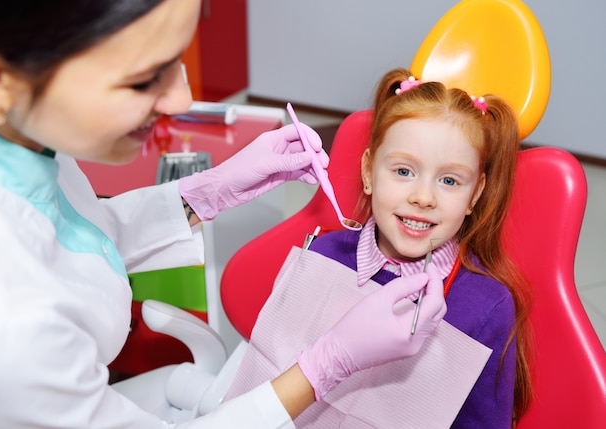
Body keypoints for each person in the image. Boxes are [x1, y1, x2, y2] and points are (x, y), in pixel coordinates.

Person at [0, 2, 447, 428]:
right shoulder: (6, 323)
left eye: (177, 60)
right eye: (144, 79)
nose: (181, 100)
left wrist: (205, 193)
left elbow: (76, 235)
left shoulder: (26, 144)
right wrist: (327, 364)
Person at [226, 68, 534, 428]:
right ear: (369, 172)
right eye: (403, 171)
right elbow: (270, 374)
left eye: (449, 180)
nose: (423, 197)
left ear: (475, 194)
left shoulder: (485, 306)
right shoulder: (324, 254)